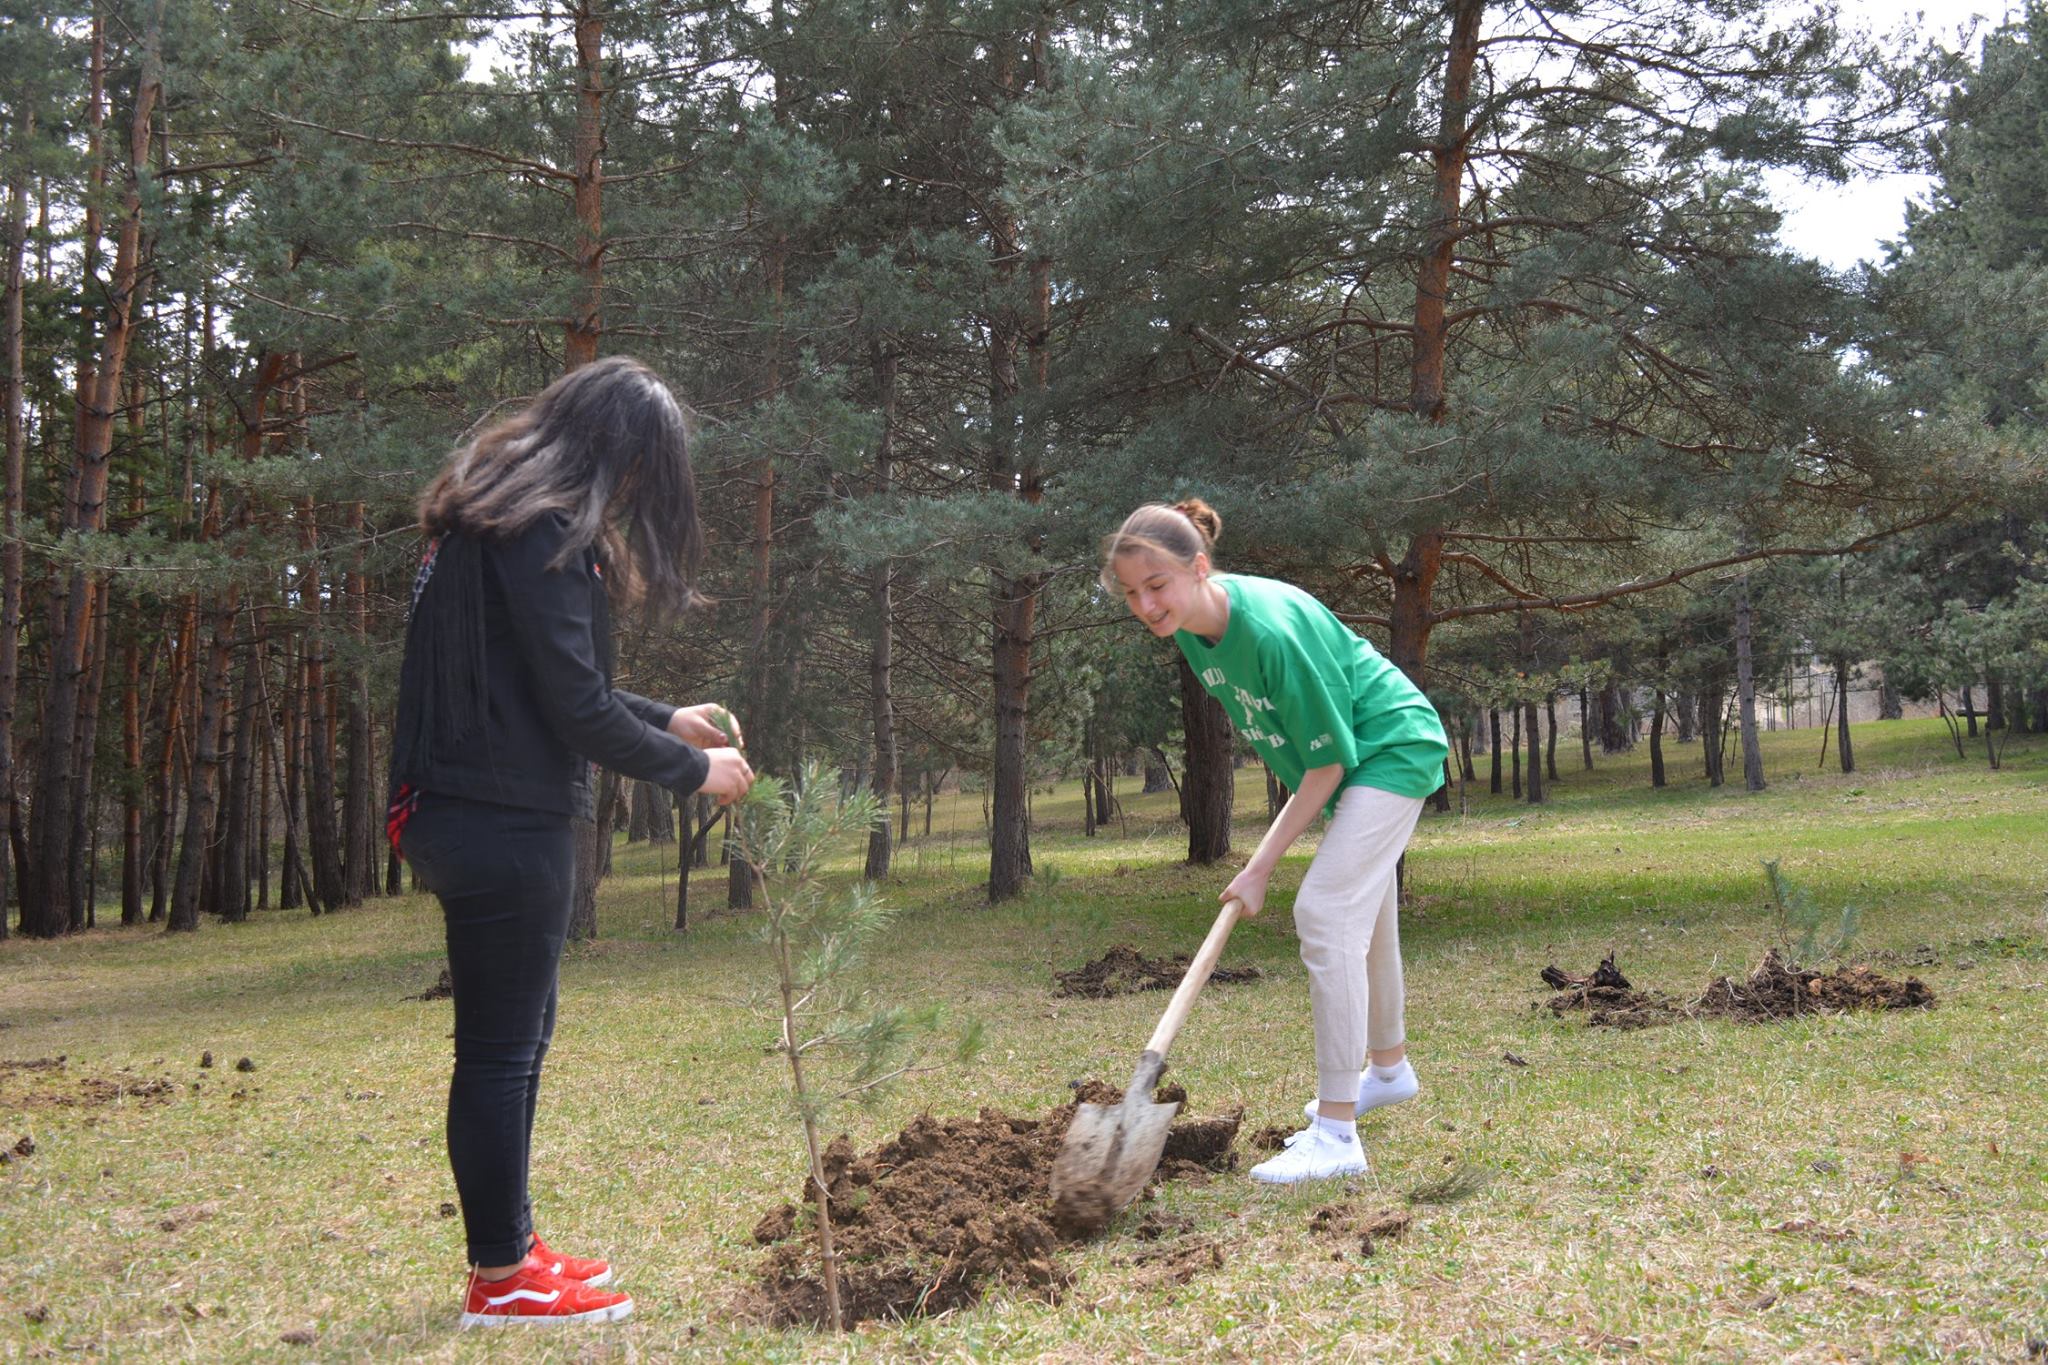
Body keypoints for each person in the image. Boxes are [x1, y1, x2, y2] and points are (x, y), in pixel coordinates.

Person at [387, 356, 755, 1327]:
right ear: (617, 452)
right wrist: (695, 771)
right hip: (503, 817)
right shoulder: (545, 528)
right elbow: (578, 712)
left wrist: (667, 716)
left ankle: (512, 1248)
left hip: (458, 807)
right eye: (642, 466)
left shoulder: (497, 517)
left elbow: (547, 681)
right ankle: (501, 1275)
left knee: (515, 1041)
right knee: (501, 1051)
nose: (638, 489)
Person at [1103, 498, 1448, 1184]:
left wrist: (1260, 864)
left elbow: (1327, 761)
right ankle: (1388, 1069)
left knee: (1326, 912)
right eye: (1132, 593)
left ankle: (1337, 1136)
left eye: (1157, 585)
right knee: (1364, 918)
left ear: (1199, 567)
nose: (1146, 605)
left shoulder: (1269, 632)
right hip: (1356, 759)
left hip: (1392, 746)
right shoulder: (1193, 632)